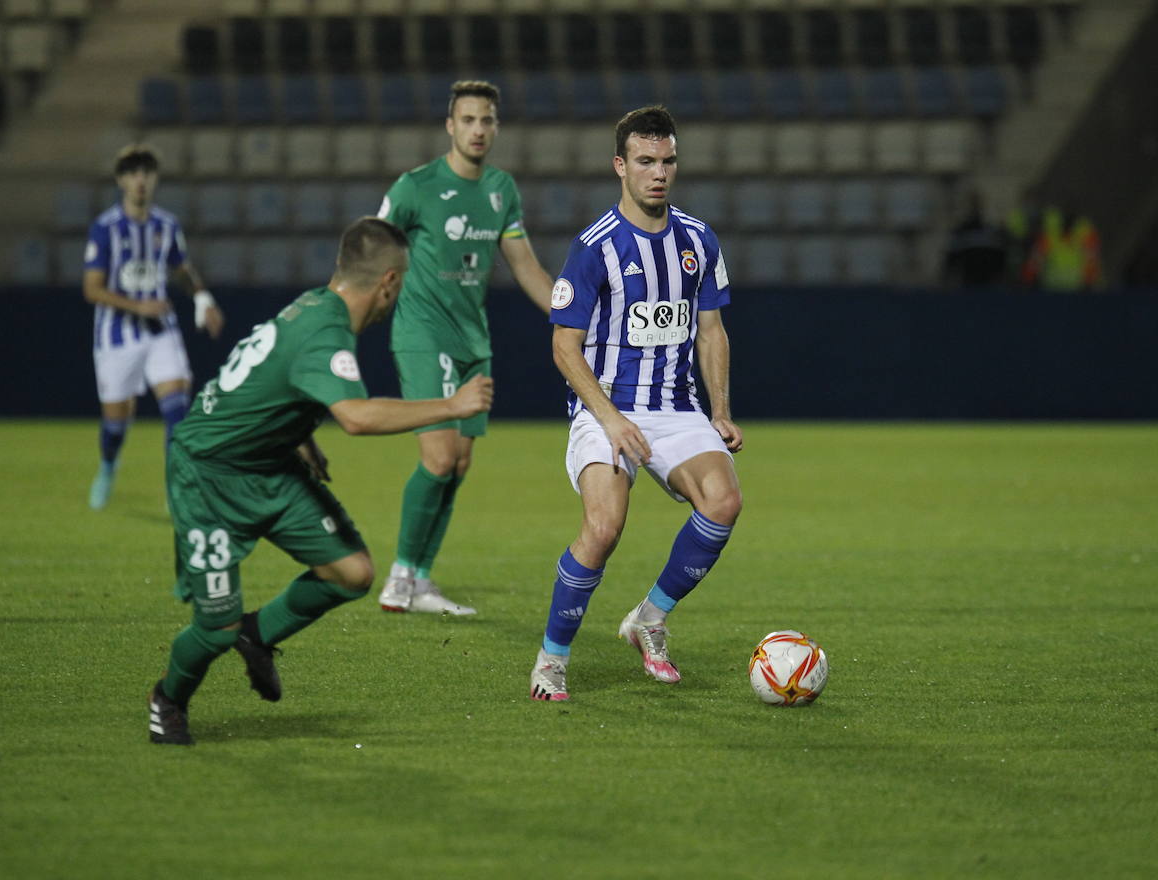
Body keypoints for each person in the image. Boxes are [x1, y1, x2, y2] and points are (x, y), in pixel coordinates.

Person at [147, 217, 494, 745]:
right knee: (213, 626)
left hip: (270, 461)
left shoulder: (315, 305)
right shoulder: (326, 331)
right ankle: (168, 699)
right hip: (210, 477)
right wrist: (451, 405)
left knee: (352, 572)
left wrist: (299, 433)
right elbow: (355, 417)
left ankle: (257, 634)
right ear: (390, 283)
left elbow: (274, 377)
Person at [529, 105, 744, 702]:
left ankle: (649, 618)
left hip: (675, 407)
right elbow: (563, 347)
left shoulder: (697, 240)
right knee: (603, 527)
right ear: (620, 165)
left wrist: (719, 410)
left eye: (668, 160)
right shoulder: (594, 248)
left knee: (724, 501)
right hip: (605, 406)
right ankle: (552, 657)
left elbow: (711, 331)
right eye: (646, 161)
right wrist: (609, 419)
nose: (659, 172)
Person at [374, 79, 554, 616]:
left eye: (487, 121)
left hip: (472, 338)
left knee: (460, 463)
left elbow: (525, 266)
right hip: (421, 332)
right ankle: (400, 574)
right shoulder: (416, 186)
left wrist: (573, 320)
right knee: (438, 455)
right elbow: (372, 247)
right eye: (468, 120)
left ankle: (423, 580)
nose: (478, 130)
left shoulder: (501, 189)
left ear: (496, 128)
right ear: (450, 126)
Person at [83, 143, 225, 509]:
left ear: (155, 178)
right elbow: (92, 289)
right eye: (132, 173)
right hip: (116, 336)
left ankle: (175, 488)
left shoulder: (167, 224)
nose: (140, 180)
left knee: (176, 408)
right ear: (120, 180)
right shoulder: (105, 228)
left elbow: (181, 268)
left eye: (146, 172)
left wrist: (203, 298)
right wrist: (137, 305)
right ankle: (108, 465)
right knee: (116, 423)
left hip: (161, 332)